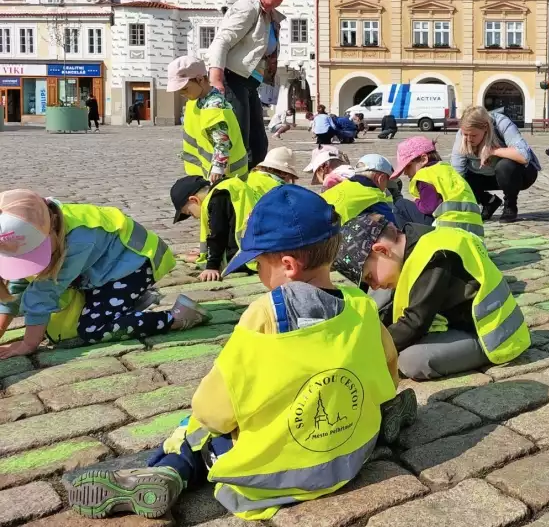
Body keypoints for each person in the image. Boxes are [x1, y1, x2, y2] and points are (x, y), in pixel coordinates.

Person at [69, 186, 414, 521]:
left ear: (289, 265)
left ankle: (170, 471)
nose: (259, 274)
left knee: (194, 432)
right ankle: (381, 427)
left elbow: (213, 410)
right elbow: (387, 377)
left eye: (259, 265)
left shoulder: (264, 316)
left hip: (275, 477)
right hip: (348, 460)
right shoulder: (362, 307)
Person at [0, 189, 206, 357]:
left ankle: (175, 318)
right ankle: (126, 303)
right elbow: (17, 286)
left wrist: (28, 344)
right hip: (103, 267)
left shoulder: (79, 239)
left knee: (91, 329)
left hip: (138, 263)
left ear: (53, 223)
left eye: (37, 252)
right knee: (60, 319)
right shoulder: (40, 224)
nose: (33, 260)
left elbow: (45, 291)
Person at [334, 213, 530, 380]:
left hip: (492, 336)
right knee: (384, 295)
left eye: (370, 277)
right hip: (457, 322)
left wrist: (365, 352)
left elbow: (415, 323)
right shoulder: (416, 241)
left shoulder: (434, 255)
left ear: (382, 251)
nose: (373, 285)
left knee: (410, 361)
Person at [205, 0, 290, 169]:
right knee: (240, 139)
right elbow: (222, 40)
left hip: (250, 82)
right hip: (232, 78)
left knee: (258, 144)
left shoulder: (270, 16)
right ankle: (229, 188)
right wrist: (215, 77)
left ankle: (250, 184)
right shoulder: (249, 7)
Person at [451, 106, 539, 224]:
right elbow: (456, 174)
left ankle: (510, 205)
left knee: (505, 166)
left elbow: (524, 155)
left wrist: (493, 151)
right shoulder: (461, 136)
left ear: (485, 128)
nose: (468, 139)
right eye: (465, 134)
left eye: (473, 135)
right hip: (483, 176)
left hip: (517, 175)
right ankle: (488, 201)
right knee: (458, 178)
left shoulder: (501, 124)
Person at [167, 56, 246, 184]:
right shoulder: (195, 102)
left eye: (185, 89)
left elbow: (222, 141)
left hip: (227, 175)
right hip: (206, 171)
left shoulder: (214, 106)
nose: (182, 94)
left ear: (200, 79)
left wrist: (218, 167)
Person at [171, 175, 262, 283]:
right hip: (261, 250)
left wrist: (211, 266)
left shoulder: (216, 198)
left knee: (210, 262)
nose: (195, 217)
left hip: (246, 259)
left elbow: (218, 235)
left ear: (194, 200)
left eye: (190, 213)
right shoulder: (229, 187)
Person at [394, 136, 484, 236]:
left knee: (400, 205)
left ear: (424, 159)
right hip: (473, 231)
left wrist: (416, 201)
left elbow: (428, 207)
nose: (405, 173)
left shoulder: (425, 175)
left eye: (408, 166)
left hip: (445, 229)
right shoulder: (450, 171)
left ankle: (408, 245)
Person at [323, 154, 397, 224]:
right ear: (381, 178)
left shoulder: (341, 186)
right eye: (387, 181)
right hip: (335, 235)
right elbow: (392, 224)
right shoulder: (374, 195)